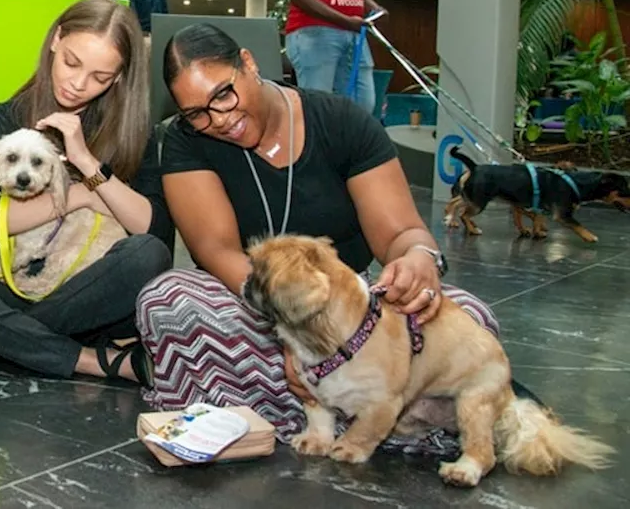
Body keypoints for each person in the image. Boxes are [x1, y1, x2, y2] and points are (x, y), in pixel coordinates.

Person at [135, 23, 498, 456]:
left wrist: (418, 257)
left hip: (349, 310)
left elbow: (400, 233)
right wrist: (290, 329)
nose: (219, 119)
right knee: (169, 300)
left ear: (248, 64)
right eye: (197, 113)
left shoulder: (340, 121)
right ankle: (364, 417)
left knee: (471, 318)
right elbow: (217, 250)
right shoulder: (185, 141)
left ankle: (301, 410)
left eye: (223, 94)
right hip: (253, 300)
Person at [0, 0, 173, 383]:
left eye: (99, 76)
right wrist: (80, 196)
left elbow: (153, 230)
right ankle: (87, 359)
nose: (78, 84)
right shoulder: (7, 117)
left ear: (118, 77)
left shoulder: (132, 131)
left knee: (147, 256)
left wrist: (86, 162)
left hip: (92, 295)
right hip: (19, 285)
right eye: (72, 63)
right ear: (56, 41)